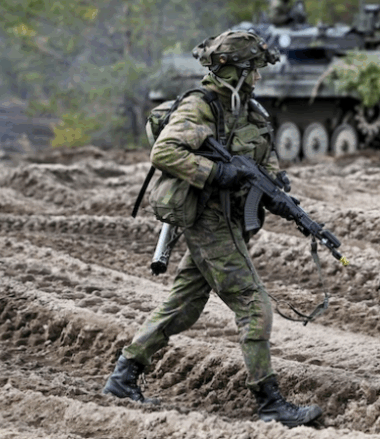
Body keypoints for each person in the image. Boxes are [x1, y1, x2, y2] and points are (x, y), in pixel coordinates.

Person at [102, 30, 323, 428]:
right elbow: (164, 151)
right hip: (207, 219)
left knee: (184, 304)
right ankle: (270, 403)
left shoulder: (249, 110)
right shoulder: (199, 107)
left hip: (232, 218)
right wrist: (217, 172)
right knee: (254, 306)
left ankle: (124, 375)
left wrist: (275, 189)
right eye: (251, 70)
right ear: (234, 71)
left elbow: (265, 156)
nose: (257, 77)